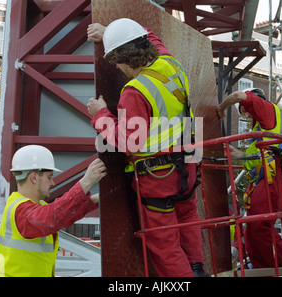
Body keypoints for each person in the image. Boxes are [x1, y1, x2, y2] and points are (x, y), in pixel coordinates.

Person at [87, 18, 208, 277]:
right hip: (187, 165)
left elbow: (129, 141)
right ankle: (197, 268)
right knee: (187, 217)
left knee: (163, 242)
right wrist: (110, 32)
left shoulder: (135, 91)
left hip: (158, 176)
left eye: (118, 64)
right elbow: (151, 38)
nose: (120, 70)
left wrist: (100, 115)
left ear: (124, 59)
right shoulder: (170, 63)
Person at [0, 145, 106, 277]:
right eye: (49, 177)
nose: (52, 183)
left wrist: (94, 200)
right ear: (34, 178)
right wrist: (85, 183)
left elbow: (64, 217)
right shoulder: (20, 210)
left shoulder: (34, 206)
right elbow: (53, 216)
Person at [217, 88, 282, 268]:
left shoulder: (264, 109)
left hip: (271, 178)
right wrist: (239, 154)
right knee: (251, 231)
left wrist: (221, 108)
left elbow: (238, 95)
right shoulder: (262, 126)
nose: (247, 115)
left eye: (245, 110)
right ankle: (264, 270)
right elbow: (260, 155)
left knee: (259, 227)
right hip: (262, 180)